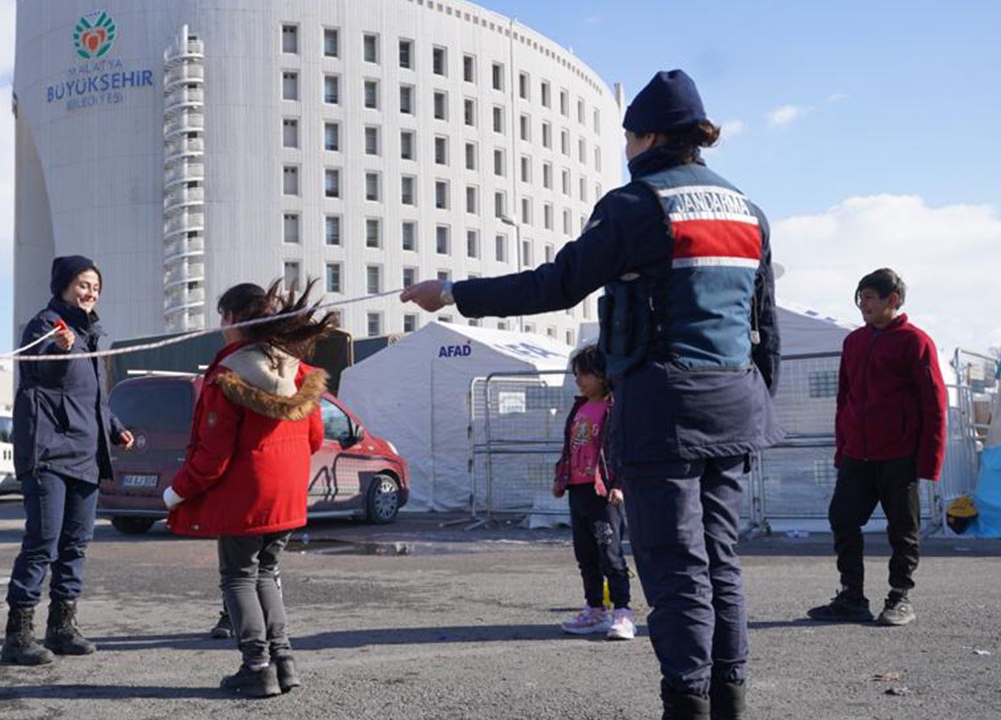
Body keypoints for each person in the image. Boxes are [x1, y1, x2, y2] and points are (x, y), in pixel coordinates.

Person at [402, 69, 780, 720]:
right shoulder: (747, 209)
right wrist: (758, 405)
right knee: (721, 562)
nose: (625, 150)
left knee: (673, 566)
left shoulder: (636, 206)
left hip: (665, 401)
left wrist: (457, 292)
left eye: (628, 136)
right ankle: (730, 704)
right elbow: (763, 324)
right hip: (735, 399)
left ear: (650, 136)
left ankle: (685, 706)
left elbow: (556, 284)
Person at [162, 279, 336, 698]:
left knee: (239, 577)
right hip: (289, 495)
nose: (221, 325)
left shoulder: (227, 375)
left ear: (235, 319)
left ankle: (256, 666)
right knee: (268, 572)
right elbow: (315, 438)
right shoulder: (301, 374)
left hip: (245, 496)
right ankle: (283, 660)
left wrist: (174, 493)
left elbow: (212, 457)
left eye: (223, 316)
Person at [1, 255, 133, 666]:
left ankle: (62, 627)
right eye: (82, 284)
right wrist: (57, 349)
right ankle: (17, 635)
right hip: (49, 454)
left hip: (86, 455)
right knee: (43, 543)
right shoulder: (46, 326)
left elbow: (92, 398)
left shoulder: (91, 335)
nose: (90, 291)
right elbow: (40, 373)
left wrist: (114, 427)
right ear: (62, 286)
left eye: (95, 285)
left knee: (76, 544)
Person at [807, 268, 946, 626]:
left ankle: (900, 597)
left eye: (869, 297)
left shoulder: (916, 342)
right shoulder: (853, 342)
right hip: (858, 454)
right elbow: (844, 399)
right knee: (842, 517)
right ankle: (852, 597)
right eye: (860, 298)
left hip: (900, 454)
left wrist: (929, 462)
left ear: (893, 300)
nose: (863, 304)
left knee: (902, 529)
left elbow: (934, 404)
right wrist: (843, 448)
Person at [553, 345, 635, 641]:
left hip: (604, 491)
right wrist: (560, 475)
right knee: (585, 554)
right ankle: (594, 609)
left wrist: (619, 484)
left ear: (603, 374)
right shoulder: (579, 407)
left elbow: (623, 448)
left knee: (610, 553)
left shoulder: (615, 407)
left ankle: (623, 612)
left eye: (585, 374)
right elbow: (569, 446)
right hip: (577, 488)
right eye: (576, 375)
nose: (579, 380)